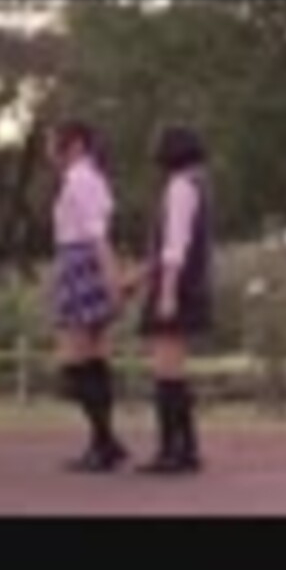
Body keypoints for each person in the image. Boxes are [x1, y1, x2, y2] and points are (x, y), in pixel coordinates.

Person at [129, 127, 213, 474]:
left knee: (166, 371)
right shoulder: (198, 184)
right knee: (173, 370)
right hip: (189, 283)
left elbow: (174, 246)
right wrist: (141, 277)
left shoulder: (180, 187)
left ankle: (172, 449)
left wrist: (166, 292)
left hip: (178, 285)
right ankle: (185, 447)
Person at [48, 120, 128, 472]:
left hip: (81, 261)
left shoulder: (79, 178)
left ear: (76, 144)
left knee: (76, 359)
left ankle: (104, 441)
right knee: (92, 356)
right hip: (83, 260)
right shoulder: (91, 177)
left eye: (55, 142)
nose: (50, 150)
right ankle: (104, 441)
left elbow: (97, 233)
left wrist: (111, 276)